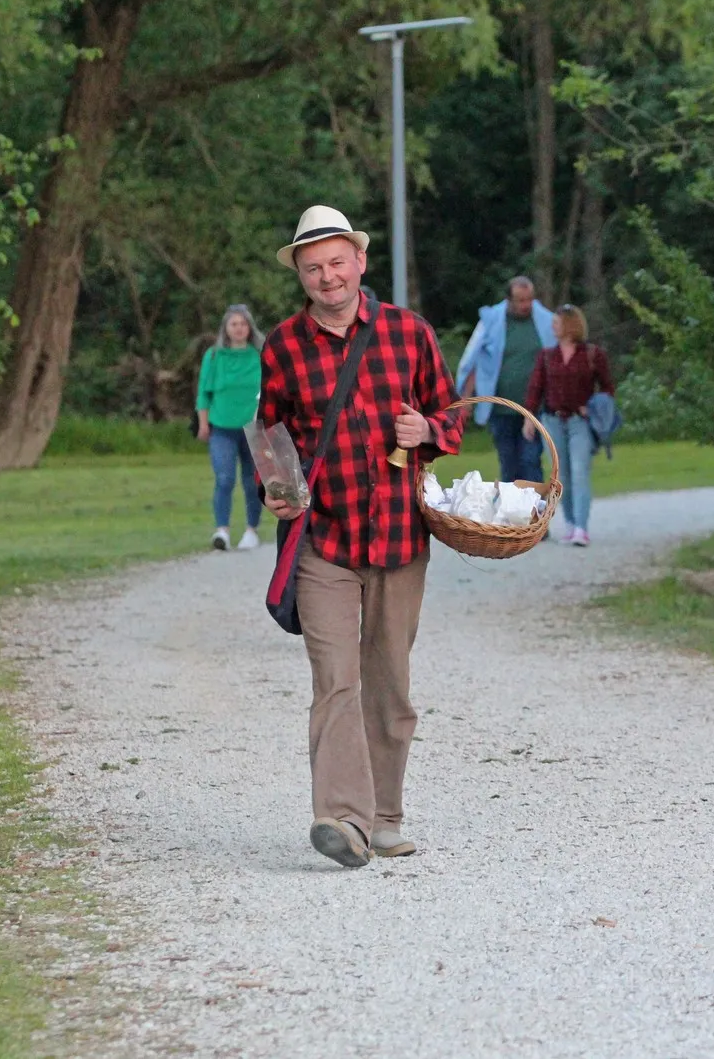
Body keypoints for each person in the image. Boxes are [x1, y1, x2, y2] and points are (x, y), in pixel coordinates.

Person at [260, 204, 464, 868]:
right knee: (336, 679)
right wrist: (278, 486)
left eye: (337, 262)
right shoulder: (283, 346)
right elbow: (270, 434)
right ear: (301, 275)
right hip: (323, 539)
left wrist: (428, 432)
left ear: (360, 263)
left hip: (400, 539)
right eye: (313, 267)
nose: (328, 276)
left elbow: (451, 413)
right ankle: (343, 819)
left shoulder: (409, 334)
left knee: (389, 683)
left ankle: (384, 816)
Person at [524, 304, 614, 547]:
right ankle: (571, 523)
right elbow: (536, 389)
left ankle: (582, 527)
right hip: (552, 420)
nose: (553, 326)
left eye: (557, 322)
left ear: (570, 325)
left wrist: (593, 406)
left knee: (580, 472)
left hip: (580, 422)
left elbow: (608, 388)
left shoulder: (593, 355)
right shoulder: (546, 355)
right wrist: (529, 417)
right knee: (561, 475)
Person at [455, 276, 556, 484]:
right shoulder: (492, 321)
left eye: (529, 299)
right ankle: (511, 512)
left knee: (531, 460)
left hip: (534, 407)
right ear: (509, 299)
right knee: (509, 463)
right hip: (501, 408)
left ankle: (535, 512)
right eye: (520, 300)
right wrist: (466, 397)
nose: (526, 305)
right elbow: (474, 359)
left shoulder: (546, 321)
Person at [196, 304, 266, 552]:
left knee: (252, 480)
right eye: (234, 324)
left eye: (243, 324)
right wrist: (203, 423)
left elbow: (271, 389)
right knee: (224, 477)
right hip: (222, 427)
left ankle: (251, 529)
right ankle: (222, 530)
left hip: (253, 428)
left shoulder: (260, 354)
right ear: (226, 328)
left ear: (250, 327)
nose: (239, 328)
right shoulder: (214, 356)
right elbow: (204, 392)